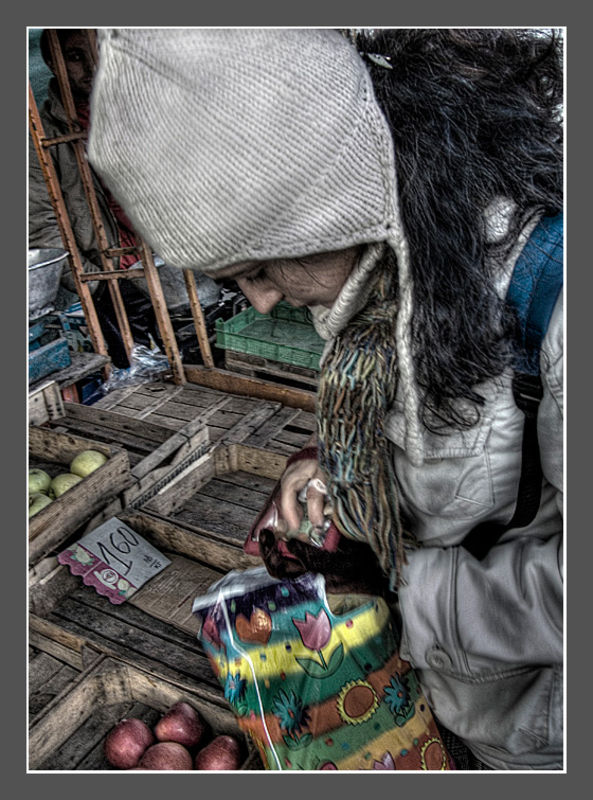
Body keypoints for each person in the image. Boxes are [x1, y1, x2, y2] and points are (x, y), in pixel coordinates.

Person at [87, 28, 563, 770]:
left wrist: (397, 588)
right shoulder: (387, 282)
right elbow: (432, 433)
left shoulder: (553, 305)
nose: (261, 300)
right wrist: (330, 465)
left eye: (257, 269)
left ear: (331, 207)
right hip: (443, 700)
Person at [28, 28, 162, 367]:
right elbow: (42, 227)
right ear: (52, 63)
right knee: (140, 372)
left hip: (166, 258)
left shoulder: (140, 108)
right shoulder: (40, 137)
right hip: (111, 275)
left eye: (98, 50)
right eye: (74, 57)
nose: (91, 65)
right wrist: (100, 283)